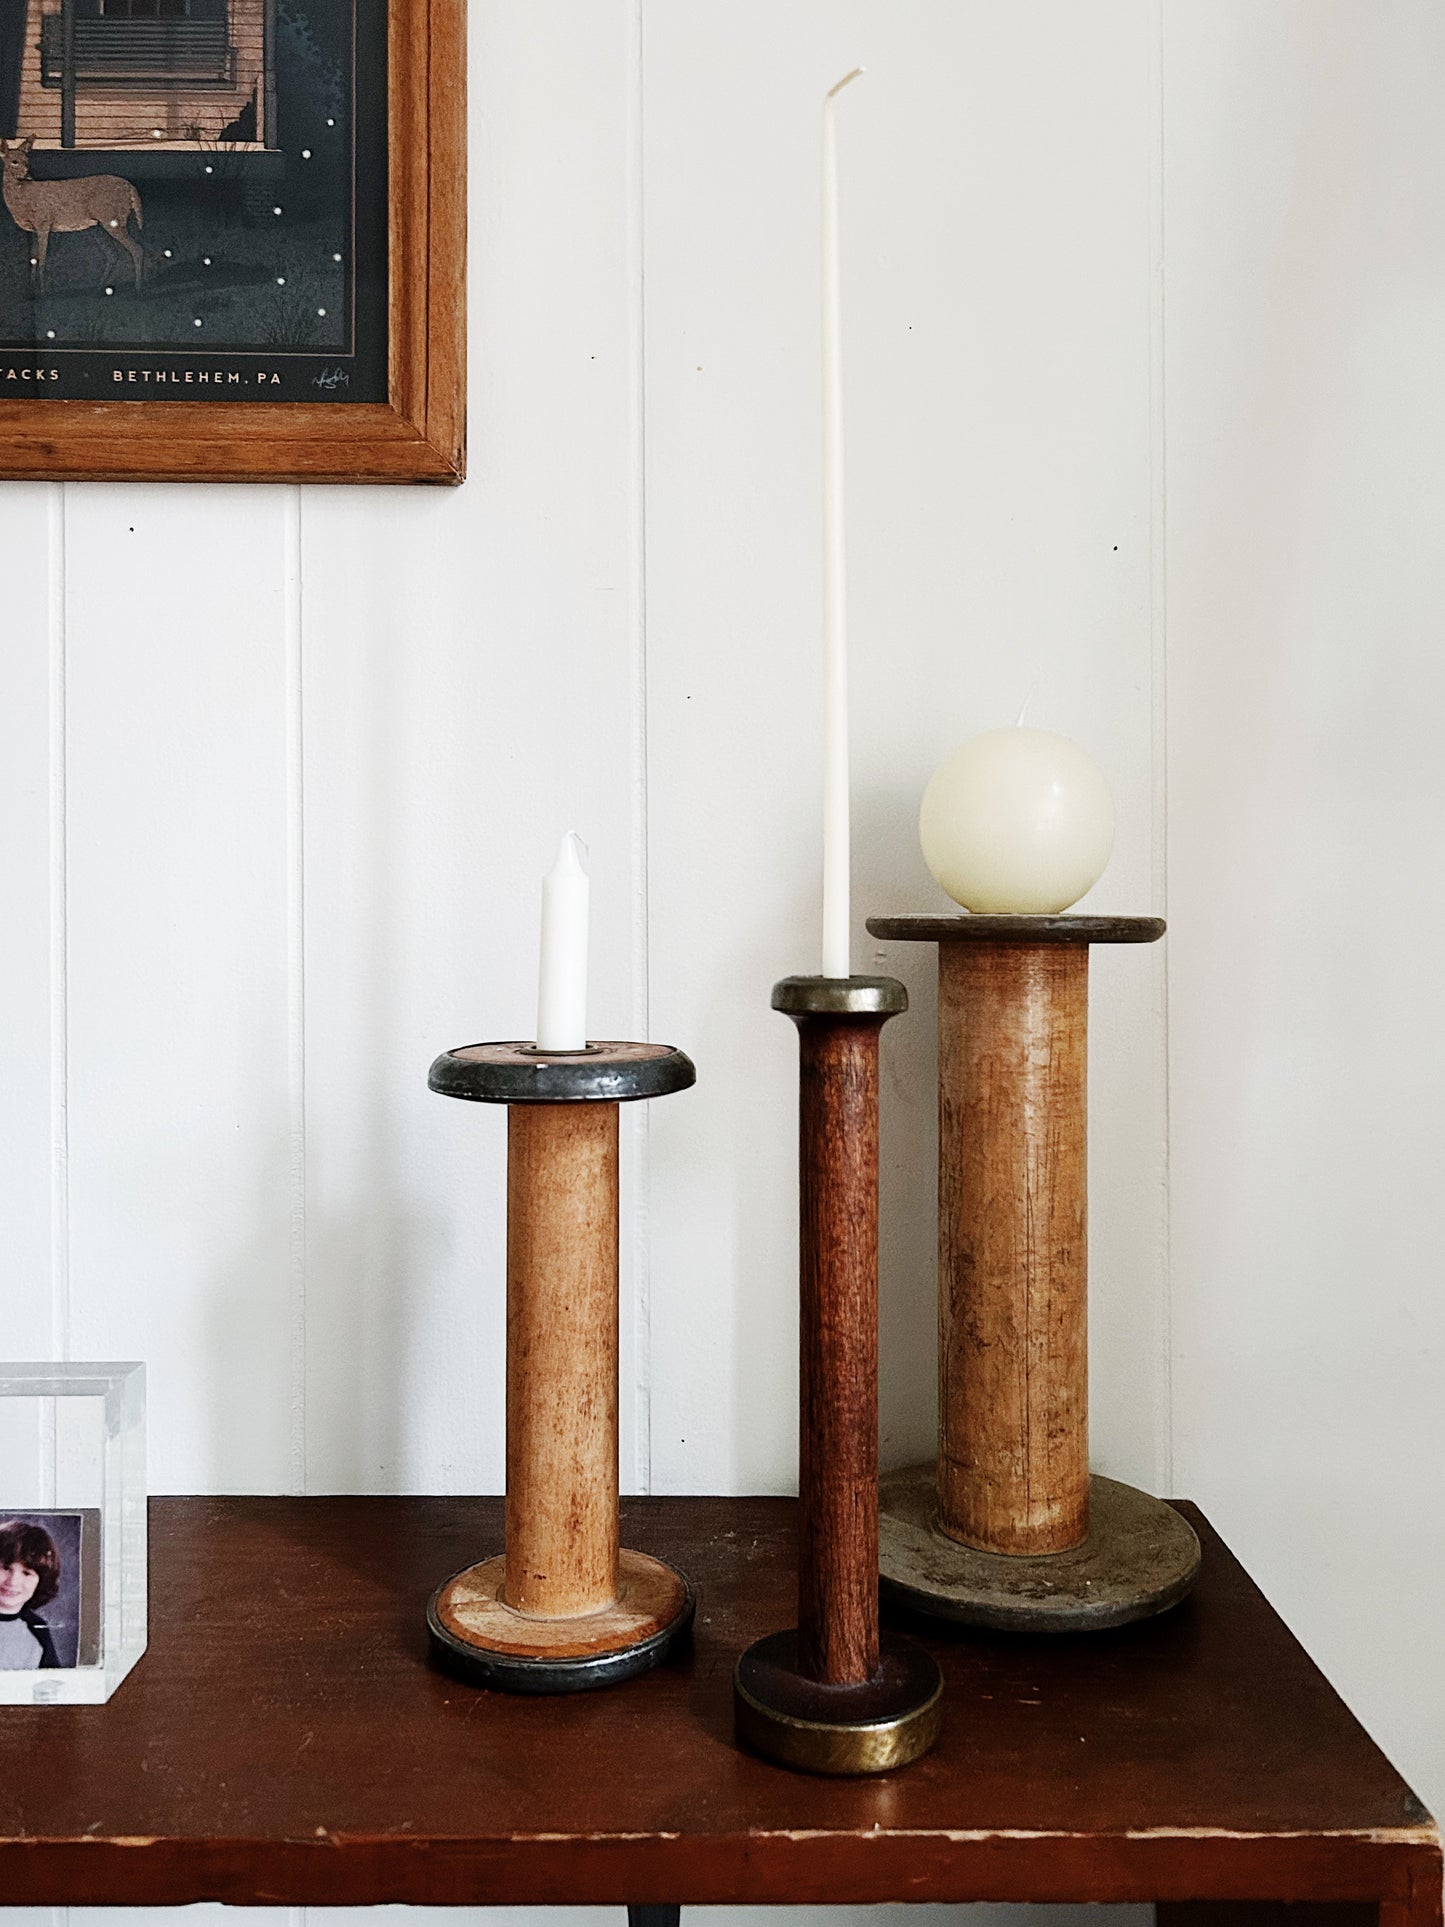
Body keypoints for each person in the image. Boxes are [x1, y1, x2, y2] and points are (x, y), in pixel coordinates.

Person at [0, 1520, 61, 1669]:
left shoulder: (37, 1629)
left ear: (41, 1582)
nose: (13, 1581)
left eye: (27, 1573)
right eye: (5, 1568)